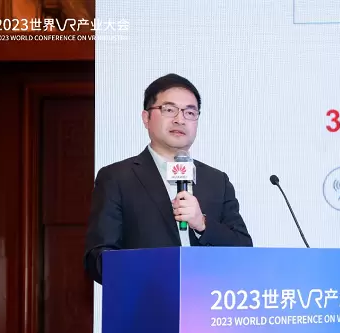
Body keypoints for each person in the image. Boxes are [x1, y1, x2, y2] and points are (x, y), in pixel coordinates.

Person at [84, 73, 253, 284]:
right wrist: (150, 275)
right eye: (169, 110)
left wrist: (202, 224)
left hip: (206, 299)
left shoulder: (217, 181)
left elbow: (244, 250)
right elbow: (98, 258)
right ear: (146, 118)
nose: (180, 119)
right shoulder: (117, 177)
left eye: (189, 112)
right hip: (149, 297)